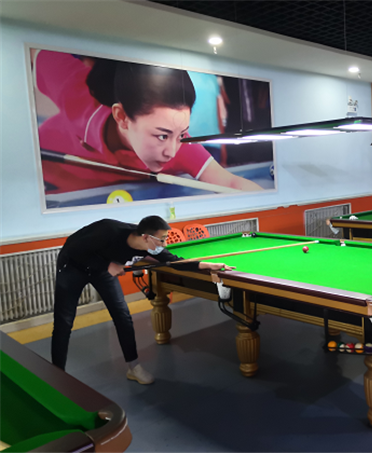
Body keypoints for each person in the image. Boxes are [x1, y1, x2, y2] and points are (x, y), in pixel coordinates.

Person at [33, 49, 263, 195]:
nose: (172, 152)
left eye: (181, 134)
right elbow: (43, 55)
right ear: (122, 117)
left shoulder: (181, 147)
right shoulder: (77, 92)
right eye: (162, 135)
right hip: (46, 180)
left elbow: (229, 183)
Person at [52, 215, 234, 384]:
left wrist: (207, 265)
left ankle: (134, 368)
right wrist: (107, 265)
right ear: (146, 237)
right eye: (162, 239)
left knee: (122, 315)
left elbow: (175, 262)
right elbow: (73, 248)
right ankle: (57, 375)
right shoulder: (108, 230)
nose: (164, 244)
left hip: (103, 271)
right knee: (64, 321)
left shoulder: (152, 247)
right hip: (72, 267)